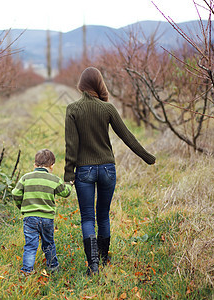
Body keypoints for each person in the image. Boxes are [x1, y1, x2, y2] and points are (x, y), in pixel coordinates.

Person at [64, 67, 156, 276]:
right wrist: (147, 157)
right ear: (99, 84)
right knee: (103, 215)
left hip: (84, 171)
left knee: (88, 218)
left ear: (81, 85)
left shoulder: (73, 109)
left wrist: (69, 174)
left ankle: (93, 266)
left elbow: (71, 145)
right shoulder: (108, 108)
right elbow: (127, 136)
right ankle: (105, 259)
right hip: (107, 169)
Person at [12, 149, 72, 274]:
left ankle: (27, 270)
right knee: (49, 243)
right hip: (47, 219)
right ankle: (53, 267)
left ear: (34, 165)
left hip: (30, 218)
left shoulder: (25, 178)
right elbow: (65, 192)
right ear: (52, 166)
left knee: (30, 246)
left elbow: (15, 193)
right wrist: (70, 184)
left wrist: (22, 206)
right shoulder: (54, 179)